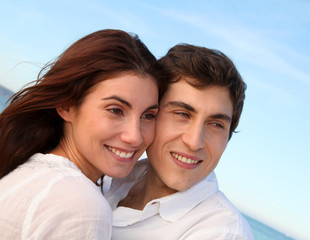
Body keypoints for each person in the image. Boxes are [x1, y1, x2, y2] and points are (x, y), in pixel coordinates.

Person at [0, 29, 167, 240]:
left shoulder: (31, 174)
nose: (135, 137)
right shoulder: (80, 206)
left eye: (149, 116)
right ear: (67, 106)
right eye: (115, 110)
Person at [105, 44, 254, 239]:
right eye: (183, 114)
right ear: (149, 115)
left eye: (216, 125)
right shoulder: (110, 178)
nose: (194, 142)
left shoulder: (221, 232)